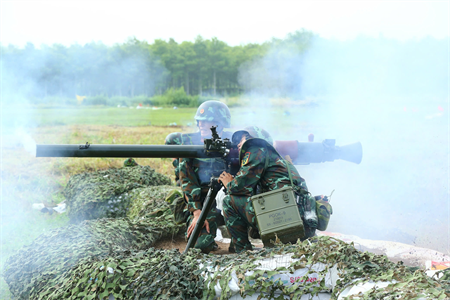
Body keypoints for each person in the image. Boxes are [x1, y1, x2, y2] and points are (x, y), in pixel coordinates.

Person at [218, 126, 314, 253]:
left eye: (241, 140)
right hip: (298, 220)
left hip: (283, 217)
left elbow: (240, 187)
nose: (238, 145)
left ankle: (242, 251)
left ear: (251, 138)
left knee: (229, 201)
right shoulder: (277, 159)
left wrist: (228, 183)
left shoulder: (256, 149)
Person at [170, 100, 233, 253]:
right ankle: (208, 233)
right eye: (200, 121)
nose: (200, 125)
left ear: (221, 124)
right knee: (201, 245)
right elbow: (187, 181)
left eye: (207, 122)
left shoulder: (234, 142)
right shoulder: (188, 143)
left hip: (229, 198)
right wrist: (197, 213)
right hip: (202, 201)